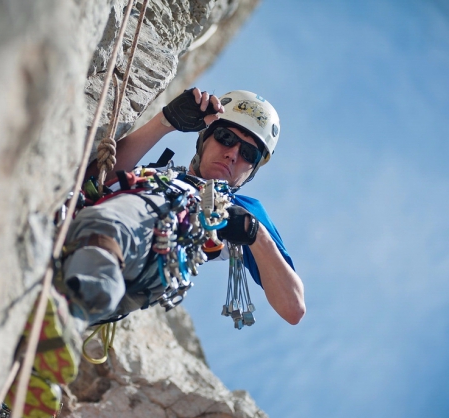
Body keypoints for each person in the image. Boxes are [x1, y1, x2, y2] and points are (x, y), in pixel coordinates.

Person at [58, 87, 305, 330]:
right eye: (226, 138)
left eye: (249, 153)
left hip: (128, 255)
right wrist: (165, 122)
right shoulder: (156, 175)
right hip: (75, 233)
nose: (232, 154)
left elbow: (293, 308)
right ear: (204, 139)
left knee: (128, 215)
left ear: (252, 171)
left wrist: (255, 234)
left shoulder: (238, 212)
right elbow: (91, 180)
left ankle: (72, 309)